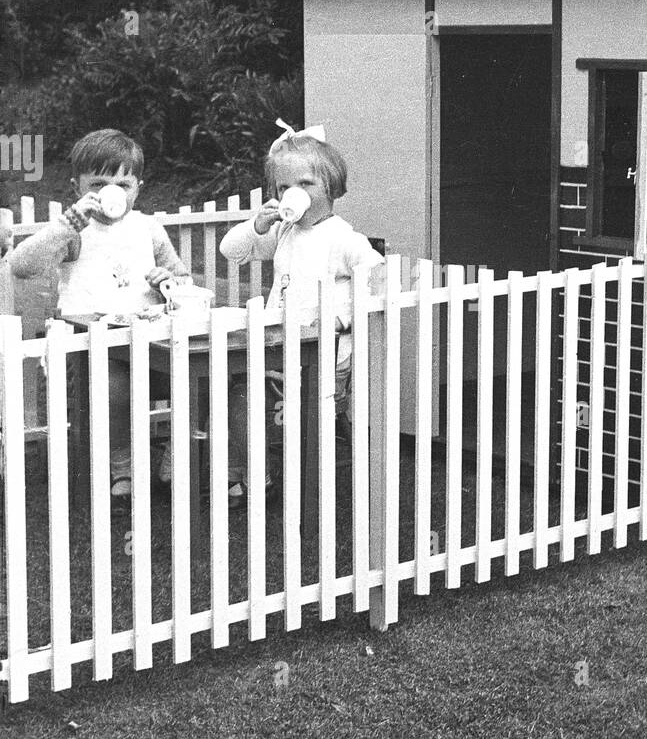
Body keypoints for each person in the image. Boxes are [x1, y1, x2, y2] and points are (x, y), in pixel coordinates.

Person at [9, 128, 190, 498]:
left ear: (137, 187)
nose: (113, 193)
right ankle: (122, 467)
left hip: (149, 342)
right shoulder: (75, 231)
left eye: (123, 184)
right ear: (78, 187)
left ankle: (175, 451)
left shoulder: (148, 230)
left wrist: (167, 281)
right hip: (90, 349)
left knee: (194, 375)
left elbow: (183, 280)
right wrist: (68, 223)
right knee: (115, 387)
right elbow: (21, 266)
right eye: (100, 183)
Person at [219, 122, 383, 509]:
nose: (293, 194)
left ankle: (301, 483)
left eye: (306, 184)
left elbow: (377, 278)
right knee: (238, 393)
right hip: (277, 348)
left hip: (322, 360)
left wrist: (342, 316)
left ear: (332, 186)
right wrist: (256, 225)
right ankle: (256, 475)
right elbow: (231, 251)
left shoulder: (343, 239)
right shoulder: (285, 232)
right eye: (283, 187)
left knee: (301, 415)